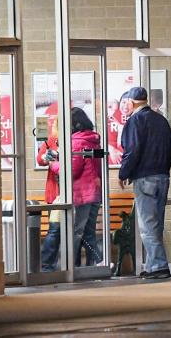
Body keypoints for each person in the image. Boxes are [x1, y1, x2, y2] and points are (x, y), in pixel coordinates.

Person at [118, 87, 171, 279]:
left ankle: (159, 266)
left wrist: (123, 173)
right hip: (163, 177)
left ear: (133, 102)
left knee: (147, 225)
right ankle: (154, 264)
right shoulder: (160, 119)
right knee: (157, 223)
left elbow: (132, 150)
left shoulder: (135, 121)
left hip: (145, 178)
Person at [69, 108, 103, 266]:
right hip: (95, 192)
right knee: (88, 233)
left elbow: (73, 170)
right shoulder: (94, 140)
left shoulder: (76, 142)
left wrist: (55, 165)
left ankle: (70, 266)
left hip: (82, 194)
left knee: (76, 233)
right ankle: (97, 263)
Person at [37, 118, 62, 272]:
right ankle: (47, 266)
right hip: (55, 191)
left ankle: (73, 264)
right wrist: (47, 157)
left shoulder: (77, 139)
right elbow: (39, 159)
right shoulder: (51, 140)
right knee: (54, 228)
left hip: (74, 191)